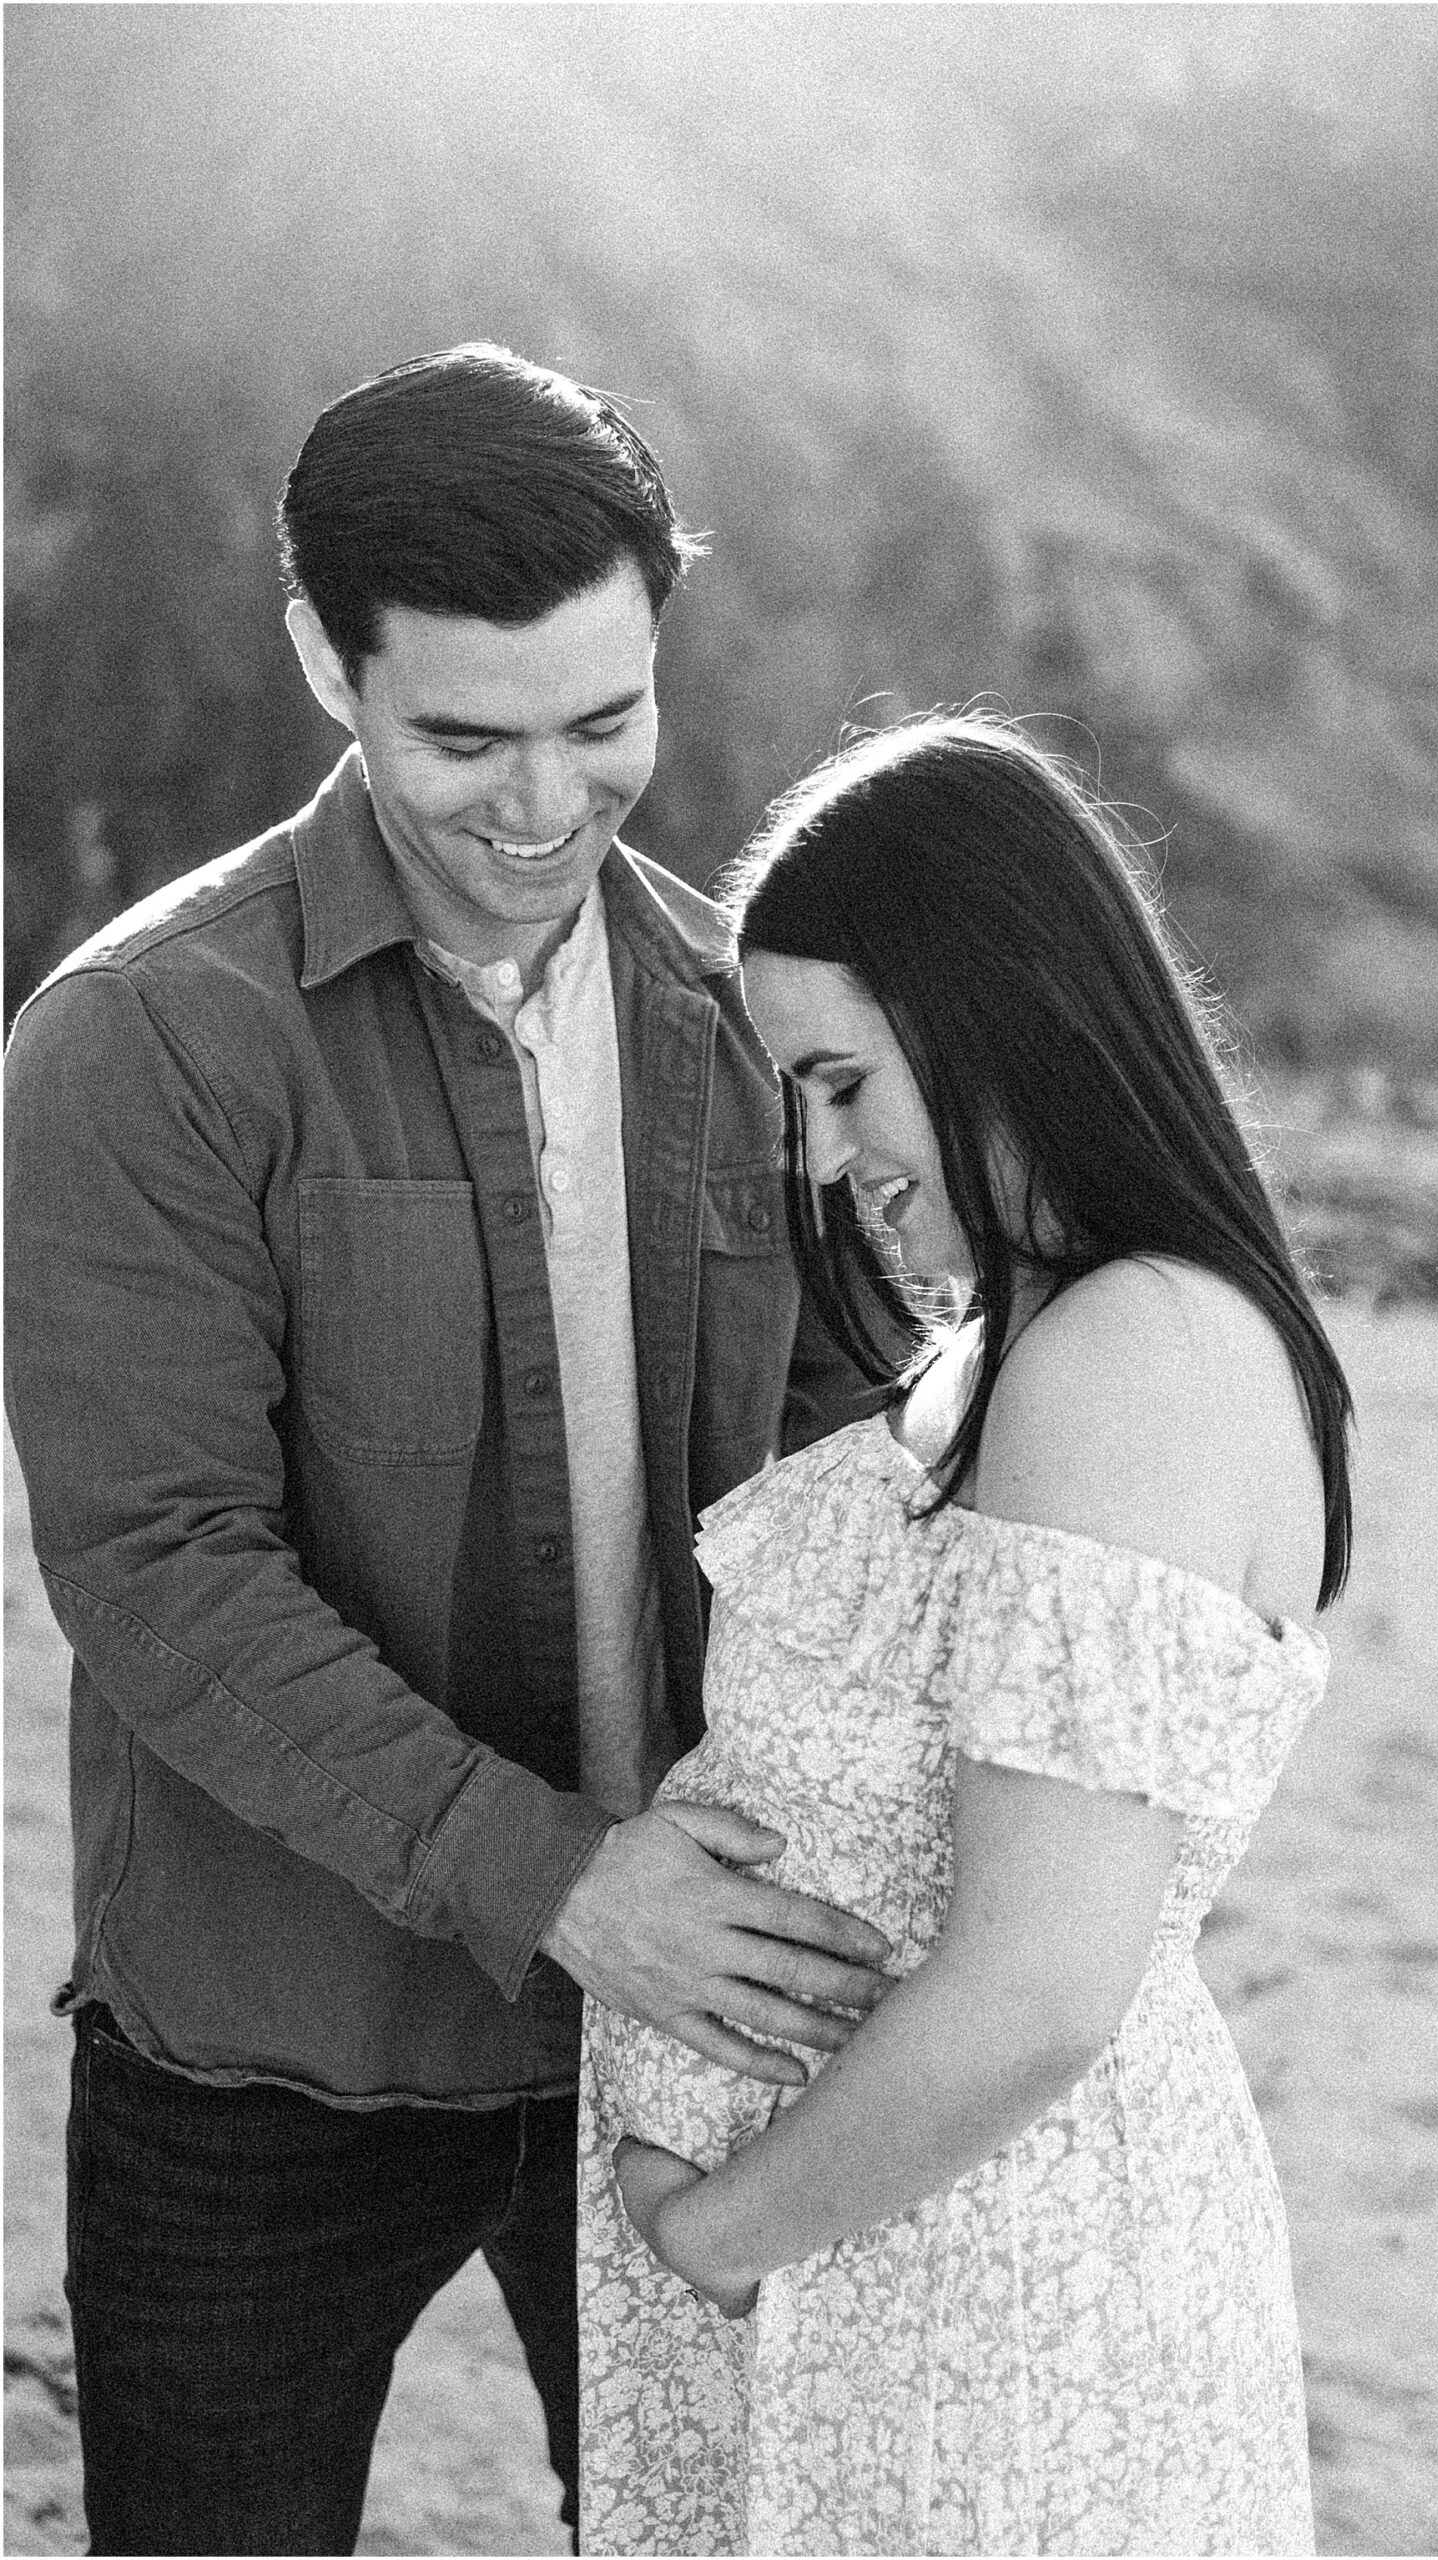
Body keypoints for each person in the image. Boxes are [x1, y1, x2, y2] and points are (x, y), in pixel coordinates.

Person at [2, 343, 894, 2558]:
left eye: (605, 725)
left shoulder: (743, 1012)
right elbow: (161, 1574)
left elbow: (846, 1478)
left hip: (692, 2024)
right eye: (463, 739)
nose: (538, 806)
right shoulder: (143, 1040)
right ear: (328, 659)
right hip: (265, 2051)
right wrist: (561, 1877)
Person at [576, 711, 1355, 2557]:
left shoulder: (1128, 1362)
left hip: (977, 2300)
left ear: (988, 1011)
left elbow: (1038, 1990)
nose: (826, 1148)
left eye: (844, 1080)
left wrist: (712, 2232)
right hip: (888, 2251)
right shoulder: (1037, 1339)